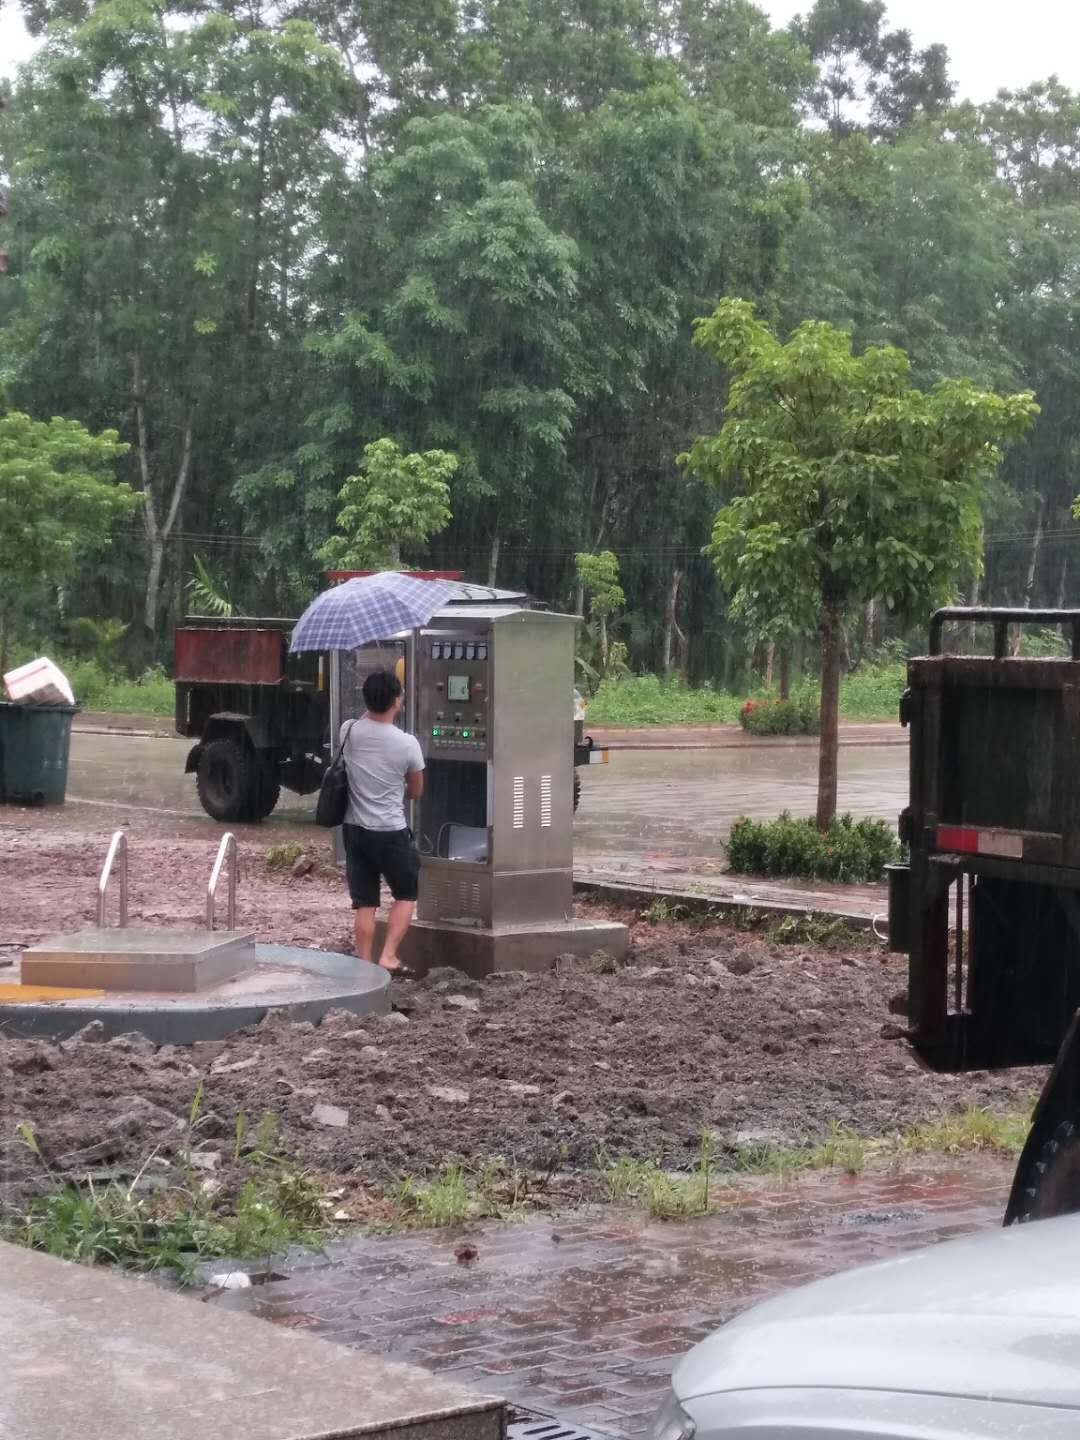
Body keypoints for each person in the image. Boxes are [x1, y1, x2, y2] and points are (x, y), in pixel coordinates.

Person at [340, 669, 424, 974]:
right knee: (406, 892)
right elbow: (415, 792)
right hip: (390, 832)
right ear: (397, 701)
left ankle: (364, 965)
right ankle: (388, 955)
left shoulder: (348, 730)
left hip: (355, 831)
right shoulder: (407, 744)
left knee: (365, 901)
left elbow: (366, 720)